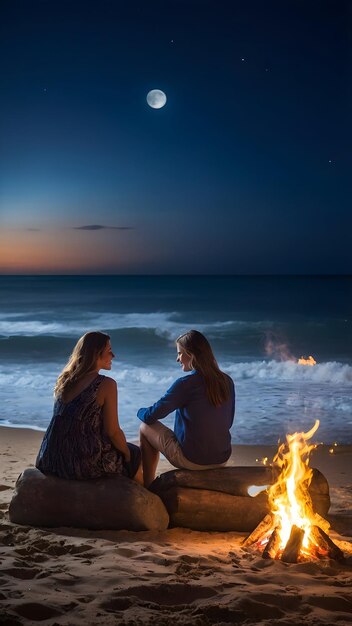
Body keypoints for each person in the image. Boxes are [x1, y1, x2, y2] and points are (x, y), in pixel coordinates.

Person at [36, 331, 142, 483]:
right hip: (82, 464)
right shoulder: (105, 384)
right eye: (109, 351)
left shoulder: (65, 380)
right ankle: (147, 498)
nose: (114, 356)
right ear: (97, 354)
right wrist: (126, 453)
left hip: (50, 459)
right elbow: (112, 431)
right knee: (134, 453)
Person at [137, 329, 235, 487]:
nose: (178, 359)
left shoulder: (185, 384)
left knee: (145, 426)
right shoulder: (227, 381)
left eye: (180, 353)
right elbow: (228, 422)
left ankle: (148, 485)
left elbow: (151, 416)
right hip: (222, 458)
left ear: (192, 354)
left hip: (193, 460)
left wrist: (139, 411)